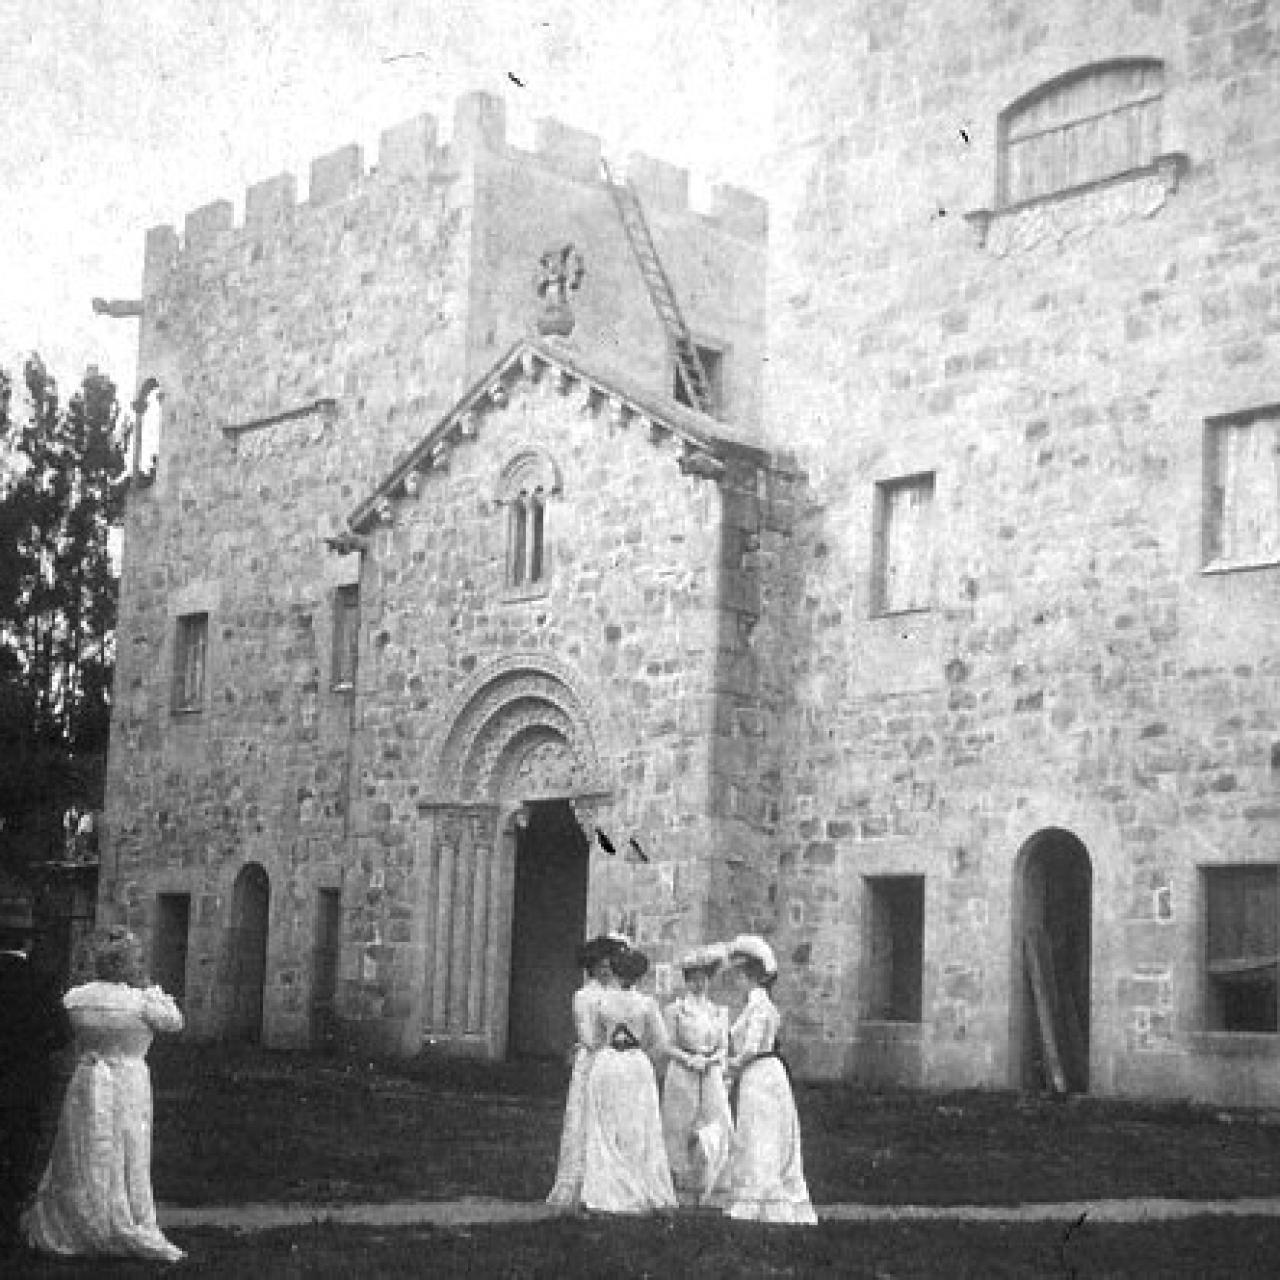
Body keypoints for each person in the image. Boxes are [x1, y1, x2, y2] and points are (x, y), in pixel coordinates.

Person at [23, 925, 186, 1263]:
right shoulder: (143, 1001)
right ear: (127, 965)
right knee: (127, 1150)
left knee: (81, 1146)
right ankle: (122, 1215)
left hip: (87, 1077)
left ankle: (78, 1216)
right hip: (128, 1081)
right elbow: (174, 1022)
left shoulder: (77, 998)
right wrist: (145, 986)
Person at [720, 934, 817, 1225]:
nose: (735, 982)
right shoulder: (755, 1004)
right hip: (760, 1073)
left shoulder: (759, 1006)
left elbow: (752, 1047)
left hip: (761, 1074)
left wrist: (730, 1066)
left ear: (749, 976)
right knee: (755, 1132)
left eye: (738, 975)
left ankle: (761, 1198)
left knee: (761, 1133)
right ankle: (755, 1194)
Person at [580, 947, 677, 1214]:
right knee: (636, 1125)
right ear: (639, 976)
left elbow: (595, 1039)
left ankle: (608, 1188)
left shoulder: (602, 1002)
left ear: (615, 972)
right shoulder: (646, 1004)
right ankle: (636, 1183)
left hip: (608, 1063)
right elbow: (662, 1043)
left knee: (607, 1125)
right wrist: (641, 1053)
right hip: (635, 1066)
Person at [0, 905, 71, 1256]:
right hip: (26, 1080)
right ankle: (9, 1224)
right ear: (27, 940)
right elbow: (61, 1033)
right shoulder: (41, 980)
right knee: (20, 1150)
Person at [547, 933, 627, 1208]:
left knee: (610, 1119)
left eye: (609, 964)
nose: (605, 969)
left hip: (612, 1061)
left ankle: (609, 1183)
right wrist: (610, 1043)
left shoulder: (617, 993)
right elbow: (588, 1036)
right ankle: (578, 1186)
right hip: (592, 1060)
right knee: (585, 1120)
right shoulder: (583, 996)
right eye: (600, 964)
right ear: (591, 966)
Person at [661, 944, 733, 1204]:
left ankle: (709, 1184)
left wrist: (710, 1059)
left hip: (710, 1072)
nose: (699, 984)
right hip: (682, 1072)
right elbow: (667, 1045)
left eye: (703, 979)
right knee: (680, 1125)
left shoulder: (718, 1011)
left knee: (714, 1123)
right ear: (687, 981)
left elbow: (724, 1047)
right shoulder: (676, 1010)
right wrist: (689, 1058)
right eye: (693, 979)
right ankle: (681, 1185)